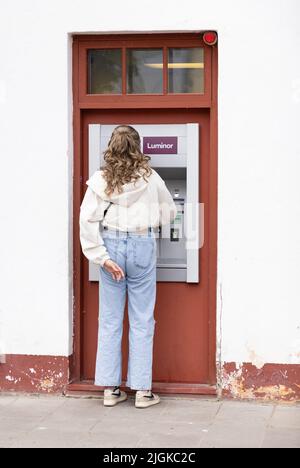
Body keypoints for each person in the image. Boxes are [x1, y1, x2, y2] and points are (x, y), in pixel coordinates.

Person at [79, 125, 177, 409]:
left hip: (110, 246)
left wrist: (102, 257)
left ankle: (111, 389)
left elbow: (87, 220)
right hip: (141, 245)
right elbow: (169, 211)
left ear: (111, 146)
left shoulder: (100, 180)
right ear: (137, 147)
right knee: (142, 318)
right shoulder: (151, 177)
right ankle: (143, 392)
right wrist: (149, 221)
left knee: (110, 319)